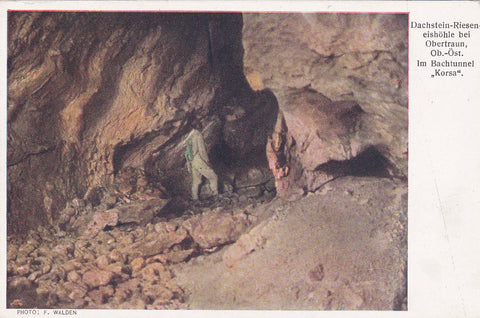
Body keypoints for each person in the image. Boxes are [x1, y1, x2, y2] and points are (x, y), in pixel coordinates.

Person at [185, 123, 218, 200]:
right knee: (213, 176)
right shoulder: (198, 135)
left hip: (192, 161)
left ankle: (195, 198)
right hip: (198, 159)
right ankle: (215, 195)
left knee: (196, 181)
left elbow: (187, 152)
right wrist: (207, 161)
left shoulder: (189, 136)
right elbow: (202, 150)